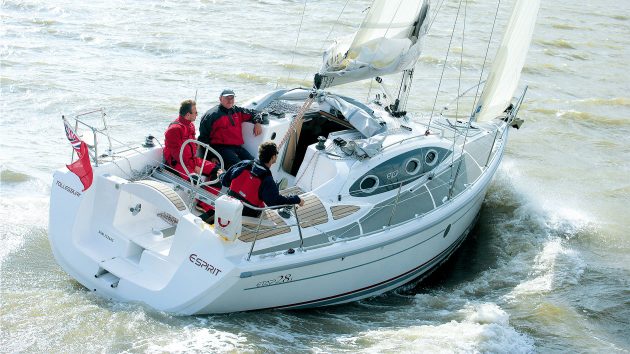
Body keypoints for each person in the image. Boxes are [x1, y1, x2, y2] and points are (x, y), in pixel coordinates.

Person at [164, 99, 221, 220]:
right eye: (195, 112)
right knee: (195, 179)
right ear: (188, 114)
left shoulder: (190, 125)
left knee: (218, 172)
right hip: (177, 163)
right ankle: (198, 211)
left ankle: (203, 205)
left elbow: (192, 147)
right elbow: (176, 155)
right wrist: (192, 167)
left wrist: (197, 162)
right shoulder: (174, 129)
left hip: (191, 160)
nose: (197, 114)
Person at [221, 141, 304, 217]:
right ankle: (274, 189)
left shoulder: (243, 164)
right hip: (248, 215)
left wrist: (221, 175)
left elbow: (225, 181)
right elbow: (274, 203)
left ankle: (273, 190)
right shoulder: (267, 179)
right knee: (267, 199)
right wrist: (296, 199)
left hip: (229, 206)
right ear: (273, 157)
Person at [198, 89, 263, 169]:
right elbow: (203, 139)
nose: (230, 100)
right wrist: (211, 156)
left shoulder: (237, 110)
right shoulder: (211, 115)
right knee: (240, 168)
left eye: (232, 98)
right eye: (227, 98)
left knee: (256, 165)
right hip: (221, 148)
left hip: (237, 148)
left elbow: (256, 113)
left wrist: (257, 122)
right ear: (220, 99)